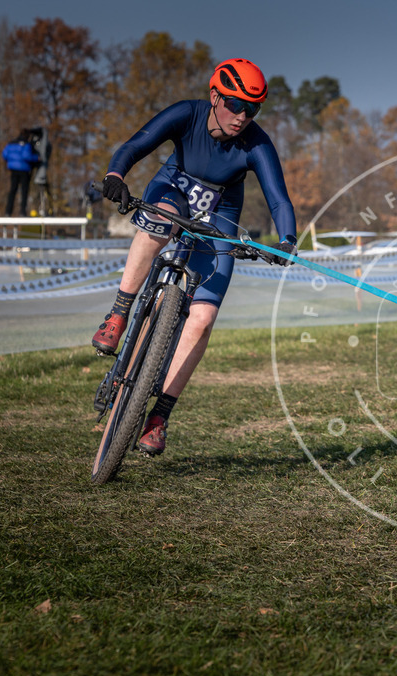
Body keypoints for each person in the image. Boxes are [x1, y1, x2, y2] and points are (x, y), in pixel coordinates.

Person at [93, 57, 299, 456]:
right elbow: (136, 145)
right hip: (171, 191)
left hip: (220, 215)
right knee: (162, 220)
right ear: (215, 95)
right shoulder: (187, 113)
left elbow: (279, 198)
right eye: (236, 105)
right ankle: (118, 314)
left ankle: (159, 417)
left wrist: (287, 241)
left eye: (252, 109)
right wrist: (116, 175)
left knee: (202, 319)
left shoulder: (256, 143)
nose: (242, 116)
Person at [2, 129, 39, 217]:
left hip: (13, 169)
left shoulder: (11, 143)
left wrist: (12, 160)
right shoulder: (26, 145)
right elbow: (26, 156)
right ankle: (22, 211)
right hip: (24, 170)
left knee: (12, 190)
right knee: (24, 191)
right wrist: (37, 158)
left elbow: (4, 154)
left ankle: (8, 211)